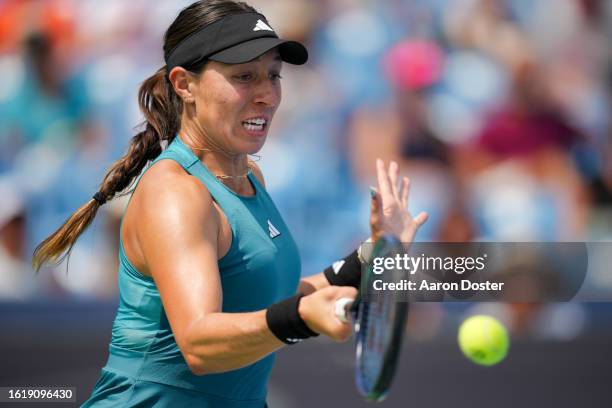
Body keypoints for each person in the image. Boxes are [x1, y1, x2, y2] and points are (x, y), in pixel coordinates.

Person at [32, 1, 427, 407]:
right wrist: (303, 318)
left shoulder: (251, 178)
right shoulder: (176, 192)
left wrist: (371, 256)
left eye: (273, 75)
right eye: (244, 76)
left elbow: (263, 294)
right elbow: (199, 343)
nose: (266, 96)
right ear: (185, 84)